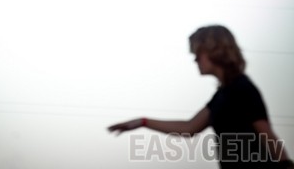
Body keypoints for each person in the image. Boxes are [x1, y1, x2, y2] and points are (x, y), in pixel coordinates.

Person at [108, 25, 293, 167]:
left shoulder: (241, 88)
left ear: (216, 51)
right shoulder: (222, 95)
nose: (195, 59)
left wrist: (286, 165)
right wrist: (143, 122)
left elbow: (267, 135)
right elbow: (189, 128)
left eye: (198, 53)